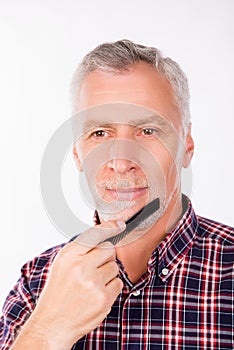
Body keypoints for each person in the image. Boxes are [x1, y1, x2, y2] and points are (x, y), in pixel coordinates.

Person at [0, 39, 233, 349]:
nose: (122, 162)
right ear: (77, 154)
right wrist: (48, 330)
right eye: (100, 133)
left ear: (186, 145)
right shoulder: (37, 284)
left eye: (148, 131)